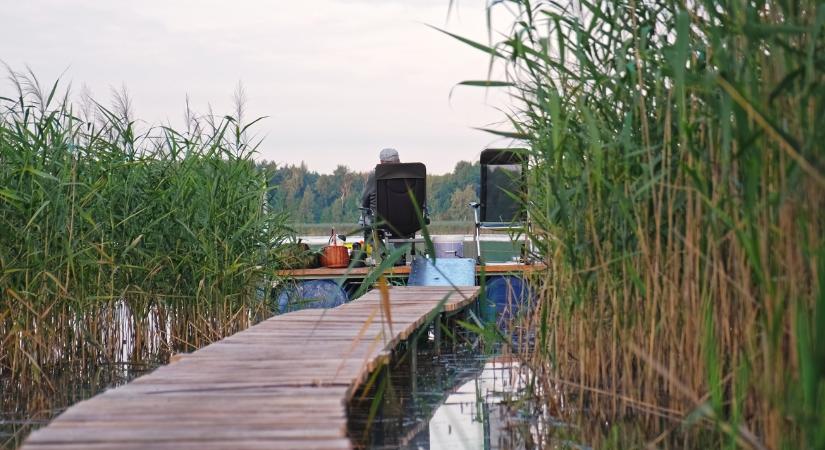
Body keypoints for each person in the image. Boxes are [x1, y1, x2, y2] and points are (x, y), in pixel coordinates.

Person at [360, 148, 400, 213]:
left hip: (379, 221)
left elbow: (365, 202)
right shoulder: (412, 174)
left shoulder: (374, 175)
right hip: (410, 221)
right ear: (398, 161)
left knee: (363, 217)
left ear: (381, 162)